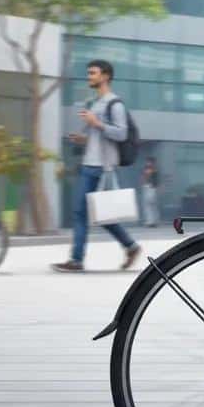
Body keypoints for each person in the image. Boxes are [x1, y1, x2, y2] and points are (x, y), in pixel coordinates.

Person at [52, 60, 141, 273]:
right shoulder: (95, 103)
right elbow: (100, 136)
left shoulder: (115, 104)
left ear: (106, 76)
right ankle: (130, 246)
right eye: (89, 73)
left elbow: (121, 133)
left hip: (102, 167)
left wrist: (96, 124)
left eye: (93, 73)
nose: (89, 76)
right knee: (99, 214)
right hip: (89, 164)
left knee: (83, 212)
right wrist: (84, 139)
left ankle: (76, 260)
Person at [139, 157, 160, 227]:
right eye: (147, 161)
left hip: (151, 188)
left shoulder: (153, 169)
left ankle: (152, 221)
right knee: (149, 205)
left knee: (150, 205)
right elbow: (143, 179)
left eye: (149, 161)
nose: (147, 163)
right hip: (147, 188)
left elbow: (154, 180)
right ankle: (151, 221)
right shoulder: (147, 169)